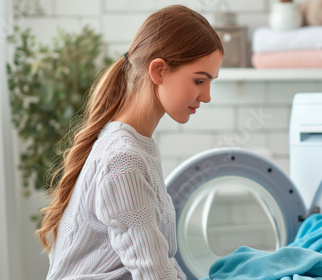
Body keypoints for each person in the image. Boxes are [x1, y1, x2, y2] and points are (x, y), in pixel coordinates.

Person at [35, 5, 224, 280]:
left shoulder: (136, 145)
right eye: (199, 81)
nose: (206, 96)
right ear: (158, 71)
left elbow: (158, 264)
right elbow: (154, 274)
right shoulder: (124, 158)